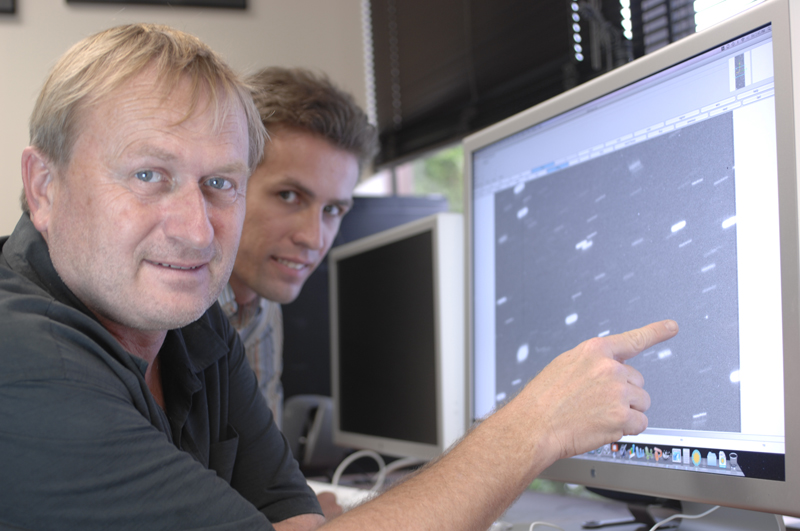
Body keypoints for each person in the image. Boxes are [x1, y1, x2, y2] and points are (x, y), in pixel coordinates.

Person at [0, 22, 678, 531]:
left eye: (219, 184)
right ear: (44, 186)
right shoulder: (24, 361)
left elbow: (292, 516)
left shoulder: (197, 320)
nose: (197, 229)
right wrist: (535, 425)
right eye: (148, 175)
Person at [218, 67, 376, 430]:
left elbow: (259, 472)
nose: (314, 238)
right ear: (227, 185)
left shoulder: (260, 305)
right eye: (289, 196)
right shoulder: (166, 308)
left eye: (332, 210)